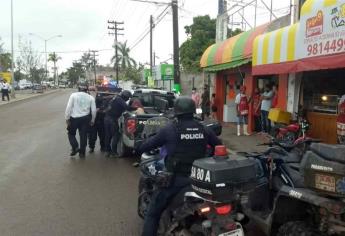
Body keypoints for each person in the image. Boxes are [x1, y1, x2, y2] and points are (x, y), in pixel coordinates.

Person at [138, 96, 221, 236]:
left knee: (153, 213)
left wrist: (139, 146)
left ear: (176, 112)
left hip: (176, 179)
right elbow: (219, 146)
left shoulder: (170, 129)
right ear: (193, 111)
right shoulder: (203, 129)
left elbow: (147, 145)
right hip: (199, 179)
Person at [65, 86, 96, 158]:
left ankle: (75, 147)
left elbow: (69, 107)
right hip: (85, 119)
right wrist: (92, 120)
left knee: (71, 134)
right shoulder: (91, 97)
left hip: (74, 118)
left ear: (79, 90)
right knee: (83, 136)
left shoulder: (73, 95)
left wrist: (67, 118)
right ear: (87, 90)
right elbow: (93, 111)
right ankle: (82, 153)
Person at [104, 90, 136, 158]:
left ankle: (107, 151)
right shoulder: (120, 100)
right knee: (116, 135)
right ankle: (114, 152)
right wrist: (137, 108)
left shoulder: (116, 98)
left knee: (108, 135)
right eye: (128, 98)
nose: (128, 99)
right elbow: (128, 108)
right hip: (112, 119)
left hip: (107, 118)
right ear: (125, 96)